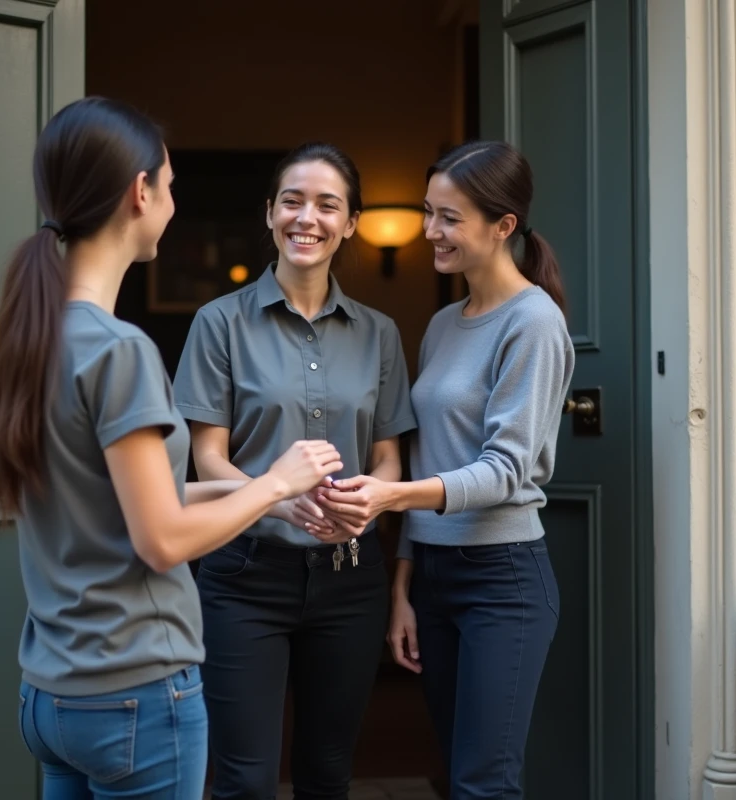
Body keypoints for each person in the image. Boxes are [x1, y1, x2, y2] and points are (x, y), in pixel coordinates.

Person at [0, 97, 343, 800]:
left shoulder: (35, 337)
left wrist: (269, 491)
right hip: (134, 695)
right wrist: (275, 484)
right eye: (170, 187)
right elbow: (164, 538)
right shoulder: (119, 349)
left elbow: (135, 500)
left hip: (51, 697)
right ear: (139, 193)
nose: (172, 205)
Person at [313, 140, 575, 800]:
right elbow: (431, 455)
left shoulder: (534, 322)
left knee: (484, 784)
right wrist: (405, 587)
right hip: (434, 579)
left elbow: (506, 470)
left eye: (449, 217)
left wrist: (391, 496)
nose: (431, 231)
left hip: (502, 581)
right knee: (456, 775)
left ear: (503, 226)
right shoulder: (441, 325)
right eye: (429, 213)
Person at [171, 141, 417, 800]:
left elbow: (389, 454)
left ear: (351, 222)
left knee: (327, 775)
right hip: (245, 574)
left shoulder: (380, 333)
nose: (306, 218)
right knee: (245, 781)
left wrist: (374, 499)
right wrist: (275, 499)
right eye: (292, 201)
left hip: (350, 581)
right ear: (271, 213)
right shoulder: (218, 323)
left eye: (326, 204)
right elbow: (207, 457)